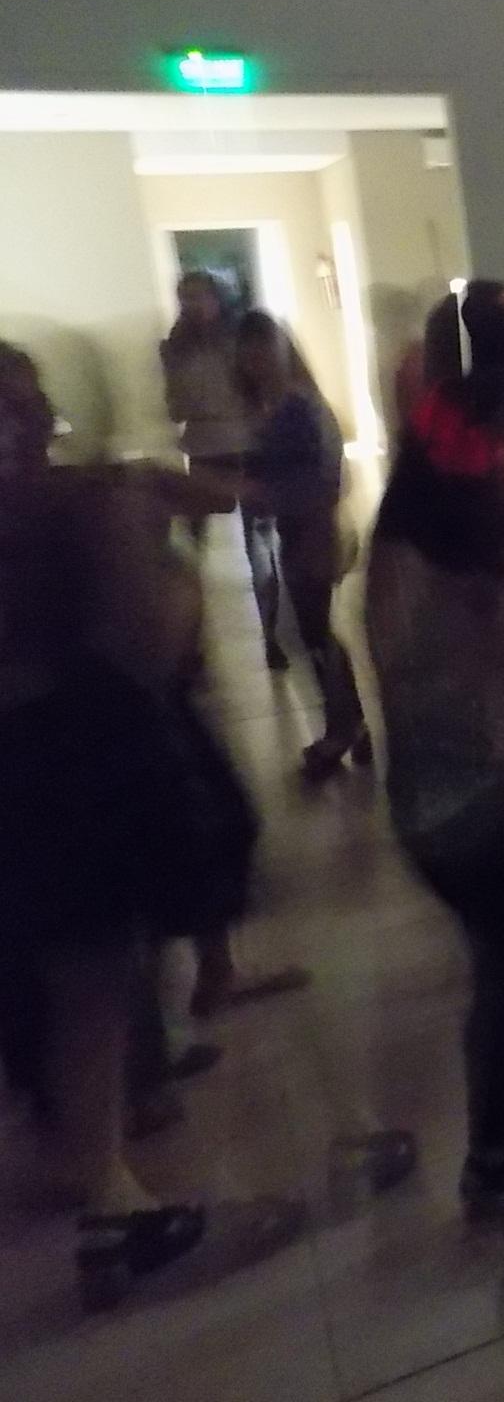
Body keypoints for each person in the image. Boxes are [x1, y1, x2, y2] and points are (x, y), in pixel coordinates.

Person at [0, 342, 305, 1308]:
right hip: (49, 764)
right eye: (14, 409)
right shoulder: (52, 513)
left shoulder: (53, 503)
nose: (36, 423)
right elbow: (146, 641)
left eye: (35, 403)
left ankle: (88, 1159)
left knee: (68, 981)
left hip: (40, 759)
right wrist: (141, 545)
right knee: (86, 976)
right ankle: (113, 1209)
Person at [366, 287, 504, 1221]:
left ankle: (500, 1149)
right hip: (463, 798)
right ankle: (496, 1159)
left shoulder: (442, 515)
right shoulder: (448, 548)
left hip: (460, 788)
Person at [233, 311, 368, 779]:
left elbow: (320, 480)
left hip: (310, 530)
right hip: (303, 529)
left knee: (315, 635)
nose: (254, 363)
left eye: (261, 351)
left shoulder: (295, 408)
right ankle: (349, 723)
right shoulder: (289, 404)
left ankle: (341, 728)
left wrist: (264, 493)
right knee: (315, 632)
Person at [160, 271, 285, 669]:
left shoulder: (238, 338)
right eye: (186, 298)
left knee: (259, 543)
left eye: (201, 296)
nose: (194, 306)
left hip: (247, 446)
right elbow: (175, 407)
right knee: (192, 547)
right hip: (204, 447)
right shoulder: (176, 347)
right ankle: (191, 640)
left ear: (217, 298)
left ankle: (271, 635)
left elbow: (264, 389)